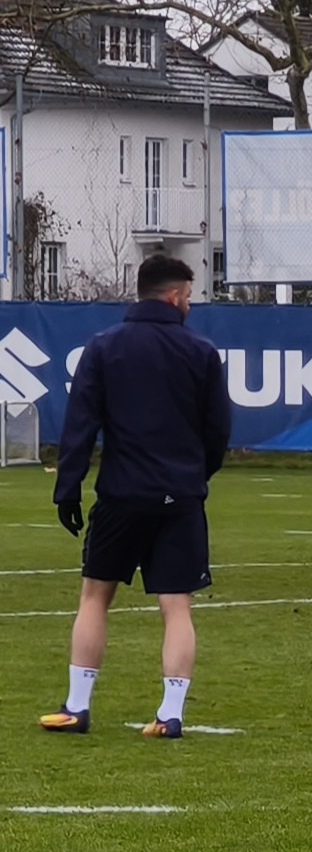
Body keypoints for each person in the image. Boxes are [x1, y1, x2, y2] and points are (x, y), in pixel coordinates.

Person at [42, 254, 233, 739]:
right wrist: (195, 476)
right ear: (173, 296)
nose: (191, 303)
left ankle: (77, 706)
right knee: (176, 606)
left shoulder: (104, 348)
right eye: (189, 295)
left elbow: (80, 426)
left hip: (122, 494)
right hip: (181, 497)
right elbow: (218, 431)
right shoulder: (202, 352)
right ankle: (171, 714)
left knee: (95, 596)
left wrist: (68, 488)